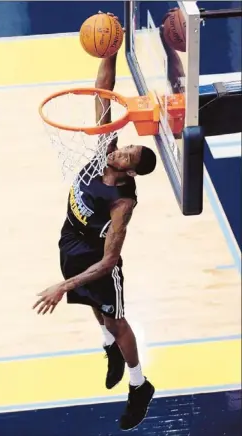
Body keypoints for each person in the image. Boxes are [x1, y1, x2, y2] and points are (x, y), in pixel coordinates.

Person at [33, 12, 157, 431]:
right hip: (71, 240)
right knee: (93, 308)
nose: (120, 153)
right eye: (126, 148)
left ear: (132, 172)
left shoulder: (122, 204)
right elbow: (104, 90)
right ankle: (108, 346)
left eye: (128, 157)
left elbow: (105, 264)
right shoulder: (106, 148)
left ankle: (140, 385)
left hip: (98, 258)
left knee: (116, 318)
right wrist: (112, 50)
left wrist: (60, 286)